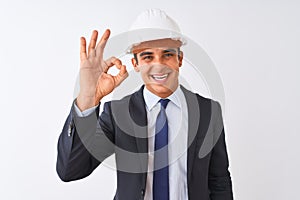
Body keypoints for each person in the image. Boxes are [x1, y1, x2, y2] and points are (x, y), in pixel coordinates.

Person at [56, 9, 233, 200]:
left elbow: (219, 181)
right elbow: (70, 170)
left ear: (179, 59)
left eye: (167, 54)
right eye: (148, 56)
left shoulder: (208, 111)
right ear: (136, 63)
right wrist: (88, 97)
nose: (159, 65)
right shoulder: (117, 113)